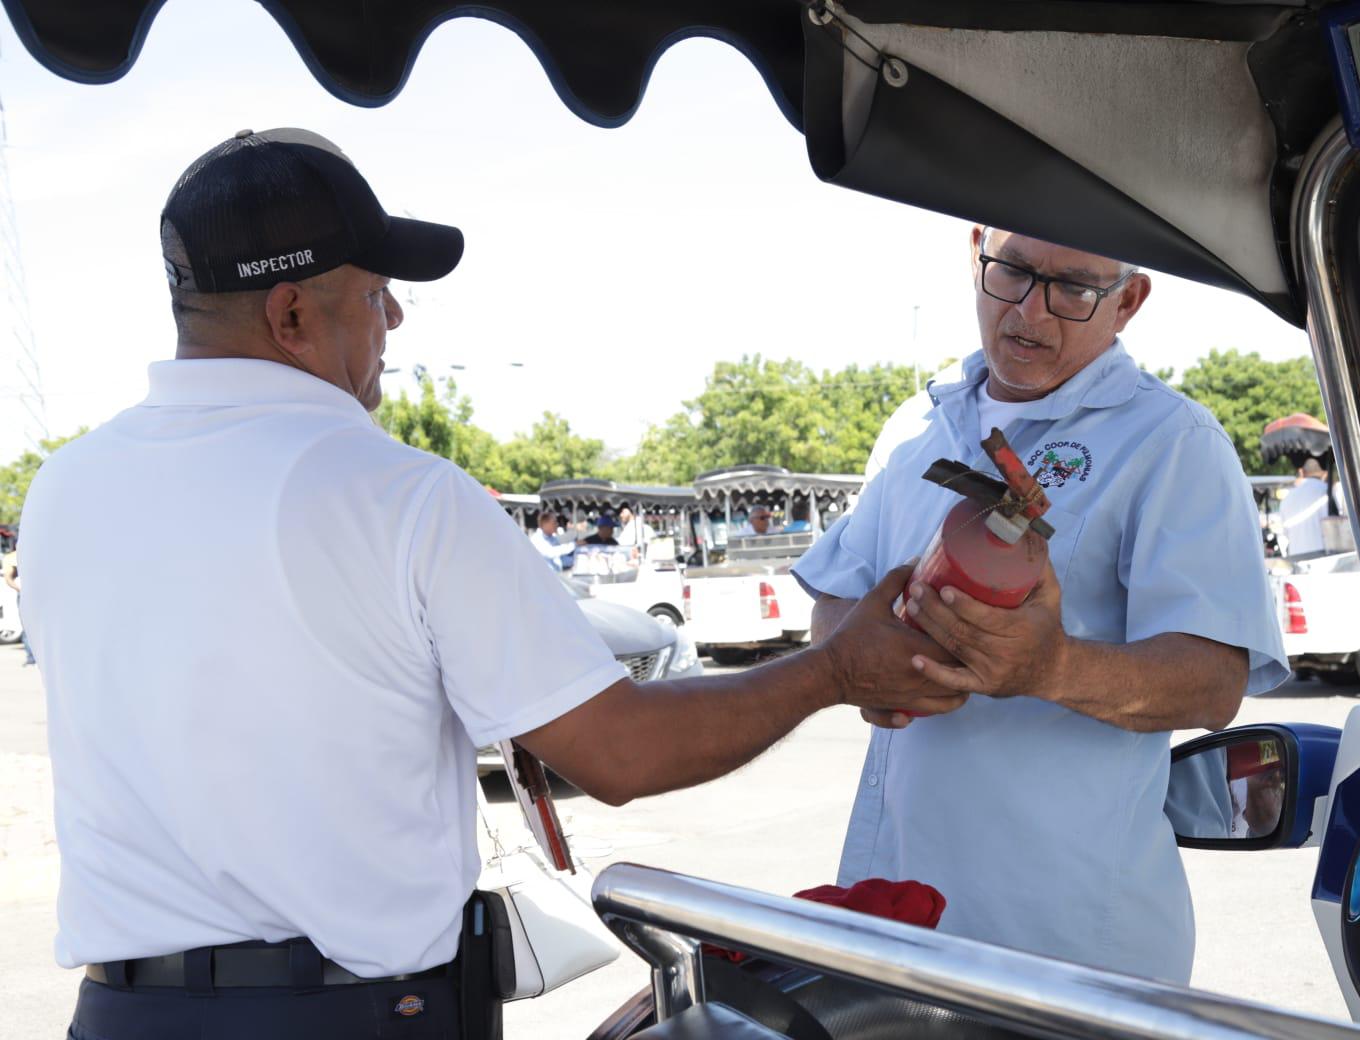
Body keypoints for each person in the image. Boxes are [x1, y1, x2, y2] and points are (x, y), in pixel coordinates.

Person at [21, 128, 967, 1039]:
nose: (392, 319)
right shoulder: (397, 496)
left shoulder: (64, 490)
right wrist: (833, 672)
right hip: (348, 1015)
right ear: (293, 316)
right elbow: (620, 754)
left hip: (121, 1013)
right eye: (377, 293)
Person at [794, 224, 1287, 984]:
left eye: (1075, 288)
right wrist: (863, 664)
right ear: (974, 253)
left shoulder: (1171, 442)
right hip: (893, 911)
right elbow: (837, 599)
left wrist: (1051, 667)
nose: (1031, 312)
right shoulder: (916, 426)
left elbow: (1213, 682)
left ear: (1129, 300)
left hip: (1069, 939)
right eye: (1014, 272)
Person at [1278, 458, 1330, 557]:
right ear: (1324, 472)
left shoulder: (1287, 499)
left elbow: (1285, 534)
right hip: (1327, 560)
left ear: (1302, 472)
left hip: (1298, 560)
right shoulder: (1328, 491)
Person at [2, 542, 33, 666]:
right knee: (27, 627)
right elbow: (9, 578)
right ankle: (31, 658)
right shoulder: (12, 558)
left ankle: (33, 658)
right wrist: (20, 589)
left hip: (32, 593)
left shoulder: (28, 555)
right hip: (25, 594)